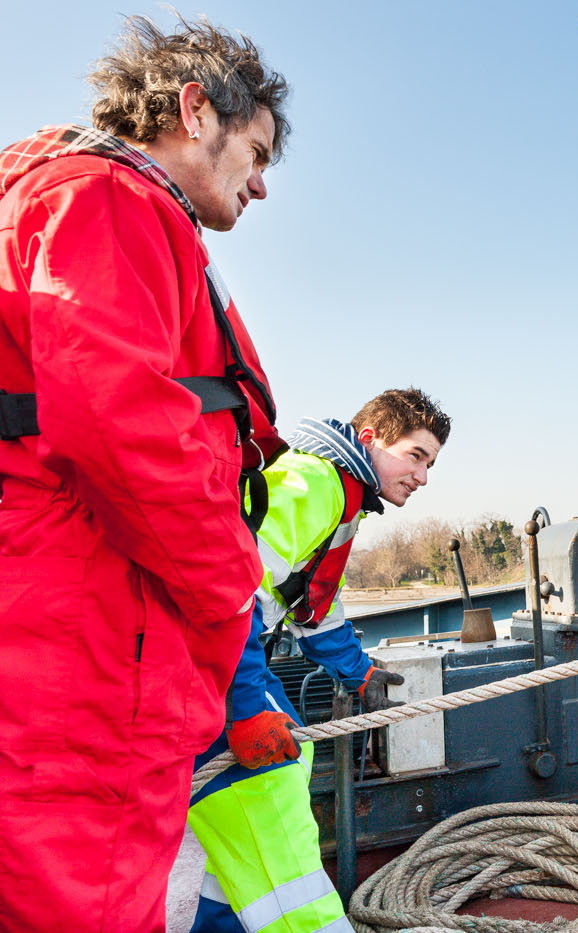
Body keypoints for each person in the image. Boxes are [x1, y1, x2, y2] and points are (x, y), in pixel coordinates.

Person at [0, 16, 289, 931]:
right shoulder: (109, 201)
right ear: (195, 110)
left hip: (53, 629)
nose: (262, 184)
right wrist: (225, 599)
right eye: (254, 150)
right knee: (90, 896)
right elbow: (120, 423)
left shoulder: (43, 197)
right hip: (87, 648)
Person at [189, 388, 451, 933]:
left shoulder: (339, 495)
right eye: (416, 456)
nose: (422, 477)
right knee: (272, 781)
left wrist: (361, 673)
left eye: (430, 464)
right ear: (371, 439)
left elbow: (312, 609)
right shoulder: (317, 484)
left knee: (245, 818)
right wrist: (245, 708)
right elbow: (230, 588)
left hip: (213, 657)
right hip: (205, 662)